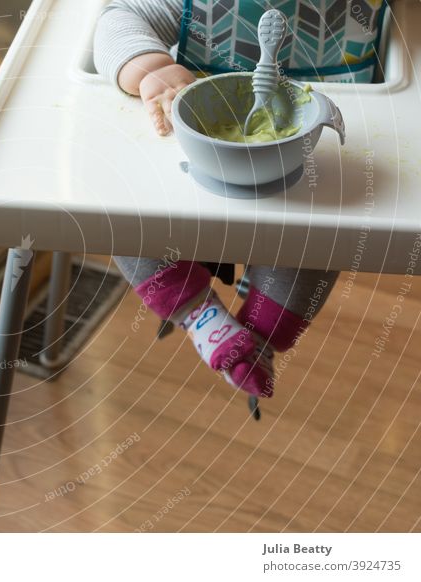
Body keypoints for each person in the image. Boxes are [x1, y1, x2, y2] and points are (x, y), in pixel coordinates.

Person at [94, 0, 388, 397]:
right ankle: (200, 314)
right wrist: (153, 67)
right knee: (124, 208)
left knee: (318, 241)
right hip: (190, 159)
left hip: (316, 168)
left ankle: (262, 337)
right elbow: (118, 20)